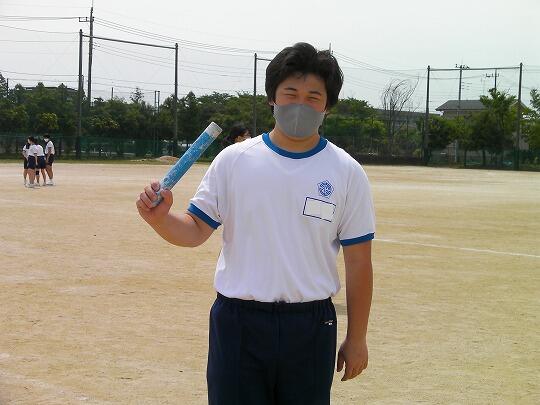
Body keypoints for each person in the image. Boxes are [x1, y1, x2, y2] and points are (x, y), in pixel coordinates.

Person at [136, 42, 375, 405]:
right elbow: (195, 229)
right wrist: (160, 219)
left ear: (327, 105)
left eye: (313, 97)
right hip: (239, 322)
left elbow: (359, 262)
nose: (300, 104)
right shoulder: (234, 160)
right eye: (290, 93)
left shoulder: (346, 171)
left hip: (311, 324)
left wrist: (357, 338)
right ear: (272, 99)